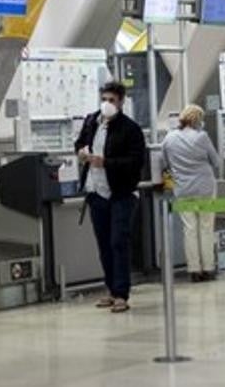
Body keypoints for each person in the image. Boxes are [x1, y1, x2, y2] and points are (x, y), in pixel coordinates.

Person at [74, 81, 147, 313]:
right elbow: (80, 143)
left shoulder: (130, 129)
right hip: (96, 192)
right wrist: (82, 152)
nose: (107, 104)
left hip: (121, 193)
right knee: (104, 243)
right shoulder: (91, 122)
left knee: (118, 242)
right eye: (104, 99)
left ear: (121, 102)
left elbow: (136, 162)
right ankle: (111, 289)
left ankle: (121, 293)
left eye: (112, 100)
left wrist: (106, 163)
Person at [160, 105, 222, 282]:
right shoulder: (202, 137)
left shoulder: (169, 138)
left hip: (183, 189)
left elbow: (164, 161)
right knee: (206, 227)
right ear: (198, 120)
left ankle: (194, 270)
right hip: (205, 188)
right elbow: (216, 162)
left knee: (189, 229)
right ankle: (208, 268)